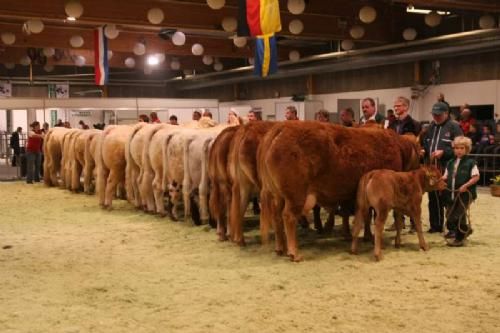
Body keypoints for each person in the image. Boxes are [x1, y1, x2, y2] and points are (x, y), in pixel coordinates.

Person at [422, 102, 463, 233]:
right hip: (432, 169)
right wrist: (423, 151)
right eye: (434, 114)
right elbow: (426, 144)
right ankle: (436, 226)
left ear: (446, 113)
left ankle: (454, 228)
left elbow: (462, 148)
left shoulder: (454, 127)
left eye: (439, 114)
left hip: (448, 169)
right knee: (433, 198)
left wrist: (444, 153)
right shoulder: (430, 128)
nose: (436, 117)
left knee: (449, 198)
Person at [386, 96, 421, 232]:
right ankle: (398, 222)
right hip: (397, 163)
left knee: (411, 192)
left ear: (406, 107)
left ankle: (414, 223)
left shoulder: (414, 124)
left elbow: (417, 143)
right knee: (397, 192)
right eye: (395, 106)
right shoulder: (392, 124)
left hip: (410, 163)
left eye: (399, 106)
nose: (396, 108)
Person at [442, 136, 479, 247]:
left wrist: (466, 185)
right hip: (451, 194)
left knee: (458, 216)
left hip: (465, 195)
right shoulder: (450, 163)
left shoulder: (471, 162)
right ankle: (465, 230)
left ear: (467, 149)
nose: (458, 150)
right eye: (456, 148)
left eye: (462, 148)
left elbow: (476, 177)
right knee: (449, 215)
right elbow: (445, 177)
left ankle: (459, 239)